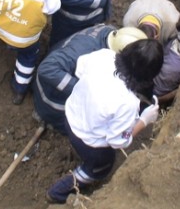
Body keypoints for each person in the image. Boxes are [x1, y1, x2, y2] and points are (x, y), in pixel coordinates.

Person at [46, 39, 164, 204]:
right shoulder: (128, 103)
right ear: (151, 75)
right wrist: (144, 120)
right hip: (89, 142)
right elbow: (117, 141)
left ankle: (77, 155)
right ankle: (58, 191)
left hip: (70, 115)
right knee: (101, 167)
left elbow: (79, 69)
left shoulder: (104, 56)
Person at [32, 25, 147, 133]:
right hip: (50, 99)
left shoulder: (111, 33)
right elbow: (47, 69)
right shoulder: (84, 51)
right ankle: (52, 121)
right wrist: (84, 90)